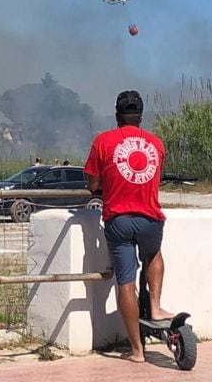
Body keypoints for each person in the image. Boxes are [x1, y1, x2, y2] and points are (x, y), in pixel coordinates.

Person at [84, 90, 173, 364]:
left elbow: (93, 185)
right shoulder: (156, 143)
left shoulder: (103, 141)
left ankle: (136, 350)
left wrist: (104, 186)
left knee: (126, 281)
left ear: (116, 115)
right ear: (141, 117)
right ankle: (156, 308)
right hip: (150, 218)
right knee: (154, 254)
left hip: (119, 220)